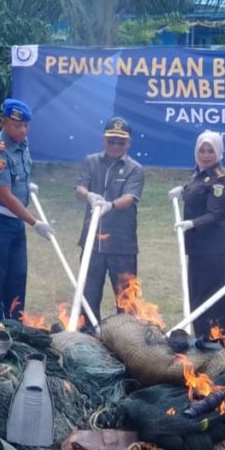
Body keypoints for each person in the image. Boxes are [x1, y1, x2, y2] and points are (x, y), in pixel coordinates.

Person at [0, 98, 53, 322]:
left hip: (14, 223)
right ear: (3, 122)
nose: (23, 130)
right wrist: (35, 222)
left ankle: (15, 326)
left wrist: (26, 187)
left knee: (17, 277)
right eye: (18, 125)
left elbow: (17, 177)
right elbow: (5, 196)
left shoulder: (21, 143)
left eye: (26, 125)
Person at [169, 130, 225, 339]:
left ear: (219, 152)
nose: (206, 155)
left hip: (216, 246)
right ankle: (202, 336)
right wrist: (183, 189)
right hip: (198, 245)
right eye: (202, 150)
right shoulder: (199, 173)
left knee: (217, 293)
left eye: (211, 151)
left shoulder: (221, 179)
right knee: (197, 291)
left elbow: (216, 213)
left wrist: (191, 223)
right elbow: (197, 189)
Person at [74, 117, 145, 323]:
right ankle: (87, 337)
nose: (115, 145)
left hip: (122, 244)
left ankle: (127, 340)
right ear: (103, 140)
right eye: (111, 140)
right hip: (92, 242)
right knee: (88, 296)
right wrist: (88, 195)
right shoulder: (91, 161)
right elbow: (79, 188)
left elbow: (130, 198)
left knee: (126, 300)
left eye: (120, 142)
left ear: (128, 143)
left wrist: (110, 205)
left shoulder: (135, 169)